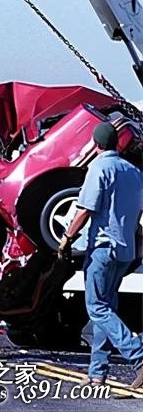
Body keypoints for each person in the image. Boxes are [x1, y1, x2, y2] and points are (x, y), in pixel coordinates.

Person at [58, 122, 143, 389]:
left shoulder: (99, 167)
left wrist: (67, 239)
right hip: (125, 251)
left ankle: (138, 354)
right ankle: (97, 371)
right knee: (106, 308)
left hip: (103, 249)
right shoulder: (134, 171)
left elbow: (85, 209)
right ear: (118, 143)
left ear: (95, 144)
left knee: (96, 307)